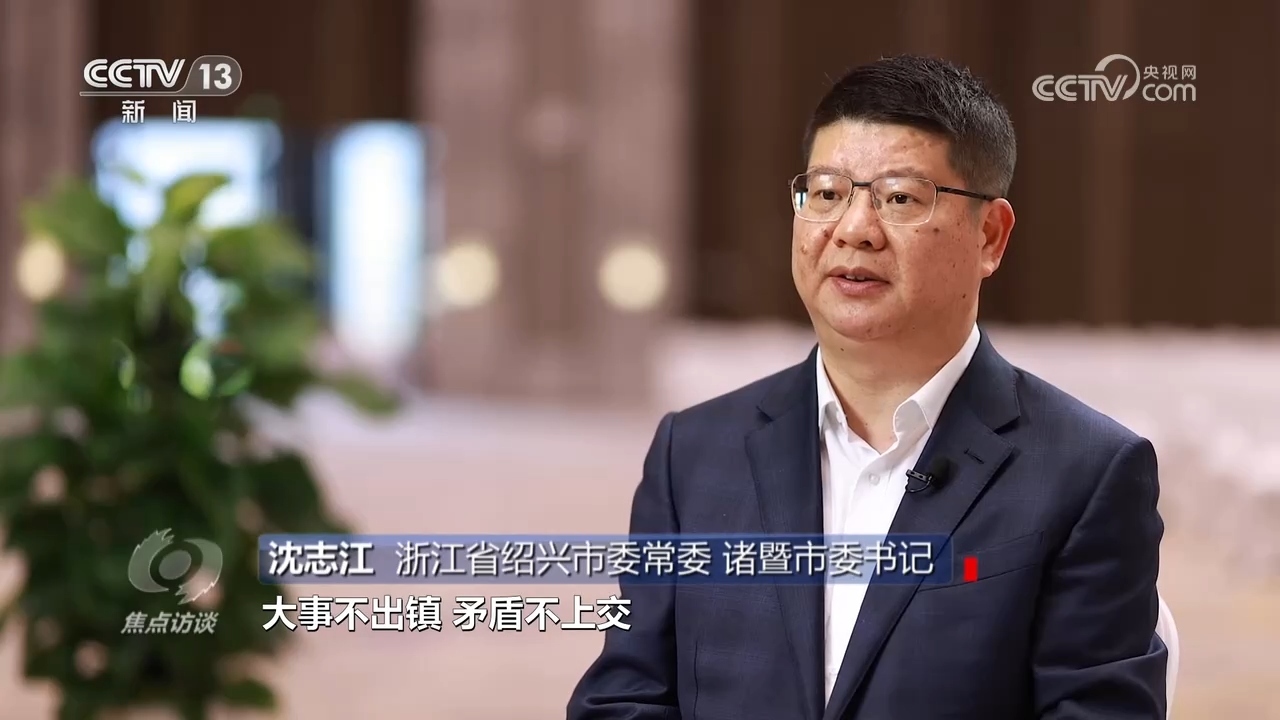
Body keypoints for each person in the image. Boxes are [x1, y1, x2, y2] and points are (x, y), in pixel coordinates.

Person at [567, 55, 1166, 720]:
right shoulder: (695, 453)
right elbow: (625, 696)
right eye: (827, 194)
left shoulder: (1086, 472)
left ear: (990, 237)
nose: (853, 229)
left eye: (900, 198)